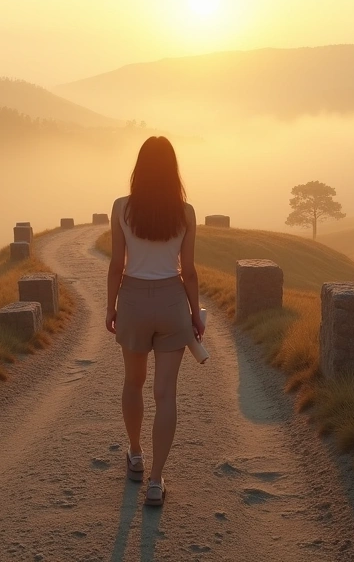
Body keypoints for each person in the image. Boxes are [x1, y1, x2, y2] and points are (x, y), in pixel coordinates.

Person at [105, 136, 205, 507]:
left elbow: (117, 264)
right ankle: (156, 481)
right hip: (172, 302)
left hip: (132, 299)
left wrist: (110, 307)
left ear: (139, 169)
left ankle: (134, 456)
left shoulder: (121, 207)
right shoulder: (187, 212)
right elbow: (190, 272)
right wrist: (195, 315)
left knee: (133, 382)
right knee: (165, 394)